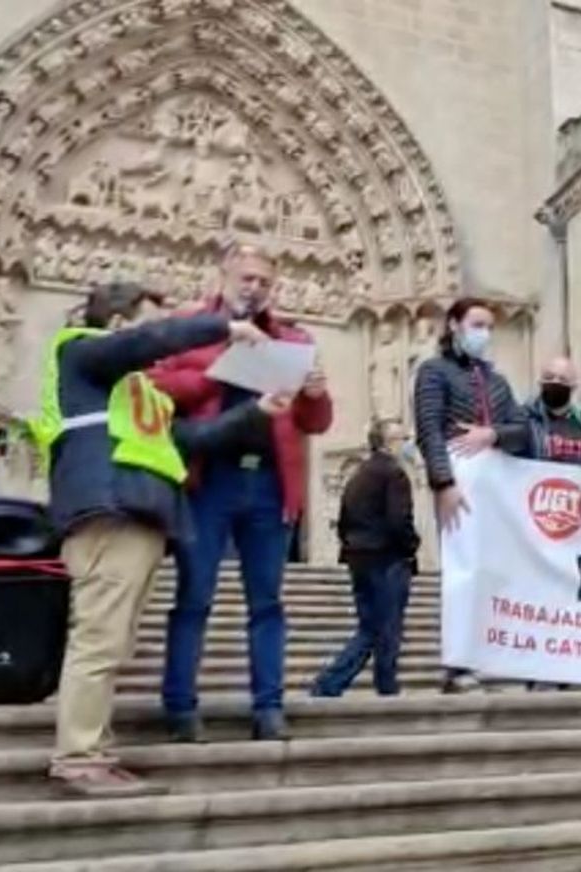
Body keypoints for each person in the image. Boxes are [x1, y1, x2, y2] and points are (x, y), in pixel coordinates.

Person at [32, 282, 280, 796]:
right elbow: (146, 344)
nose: (159, 340)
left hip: (143, 512)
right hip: (109, 507)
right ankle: (77, 757)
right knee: (99, 639)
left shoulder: (137, 389)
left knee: (115, 642)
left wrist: (259, 412)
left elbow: (187, 440)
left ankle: (95, 750)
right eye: (148, 324)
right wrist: (221, 325)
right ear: (121, 325)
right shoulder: (82, 352)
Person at [151, 243, 334, 743]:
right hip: (209, 479)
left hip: (270, 484)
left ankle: (269, 708)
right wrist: (224, 364)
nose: (254, 289)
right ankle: (181, 707)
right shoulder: (193, 331)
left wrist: (315, 394)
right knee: (194, 597)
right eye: (246, 279)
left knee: (268, 602)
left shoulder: (292, 339)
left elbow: (316, 423)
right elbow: (160, 388)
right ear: (223, 277)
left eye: (263, 282)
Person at [412, 297, 527, 694]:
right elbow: (429, 428)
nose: (486, 334)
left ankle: (491, 654)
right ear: (454, 325)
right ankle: (458, 664)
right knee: (462, 570)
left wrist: (491, 434)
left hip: (496, 485)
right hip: (459, 482)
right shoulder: (433, 372)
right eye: (478, 324)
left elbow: (522, 428)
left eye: (491, 327)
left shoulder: (498, 383)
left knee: (493, 572)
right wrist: (443, 483)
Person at [310, 418, 420, 698]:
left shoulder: (359, 474)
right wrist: (411, 546)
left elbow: (344, 519)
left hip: (359, 557)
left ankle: (332, 682)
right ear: (387, 443)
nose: (407, 443)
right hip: (387, 559)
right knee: (387, 628)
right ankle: (383, 685)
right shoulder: (394, 474)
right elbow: (399, 520)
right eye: (401, 438)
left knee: (370, 627)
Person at [496, 356, 581, 467]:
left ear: (574, 387)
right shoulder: (521, 421)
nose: (555, 382)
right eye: (549, 377)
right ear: (540, 382)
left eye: (563, 379)